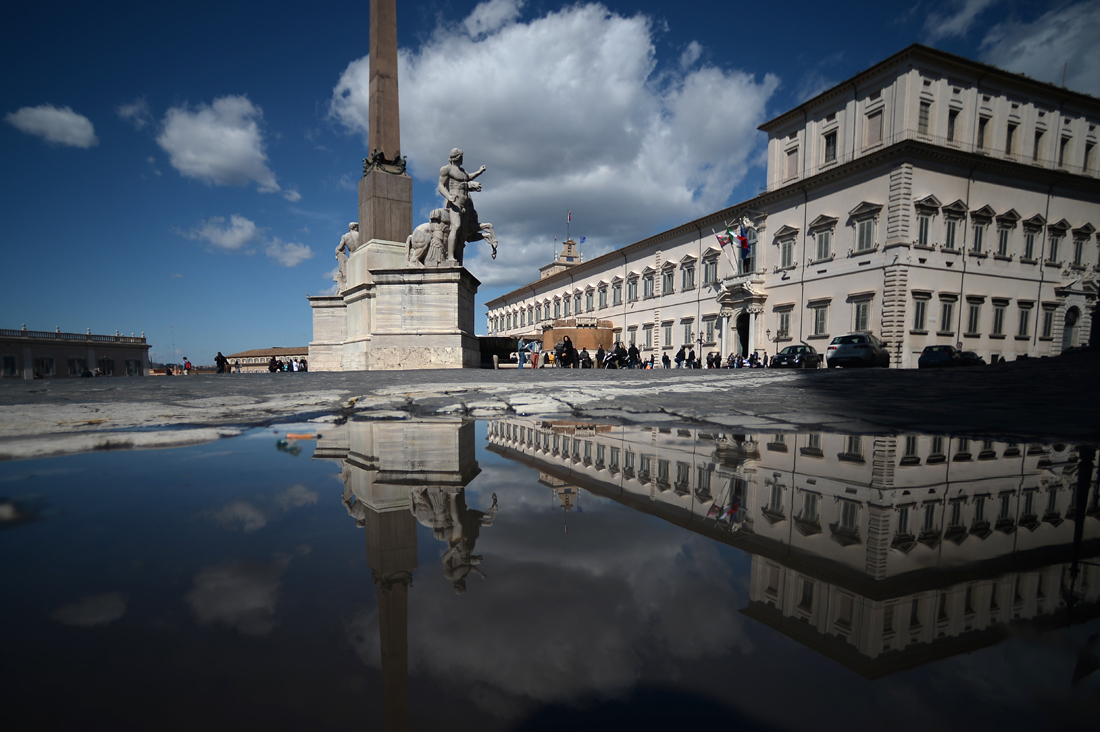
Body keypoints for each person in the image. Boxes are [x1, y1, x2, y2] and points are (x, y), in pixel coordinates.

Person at [437, 148, 487, 262]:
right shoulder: (446, 169)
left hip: (465, 203)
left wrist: (479, 171)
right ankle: (450, 257)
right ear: (458, 157)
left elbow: (468, 177)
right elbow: (440, 186)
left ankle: (458, 258)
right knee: (455, 227)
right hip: (455, 202)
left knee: (462, 233)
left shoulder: (462, 171)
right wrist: (449, 197)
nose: (463, 159)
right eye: (462, 157)